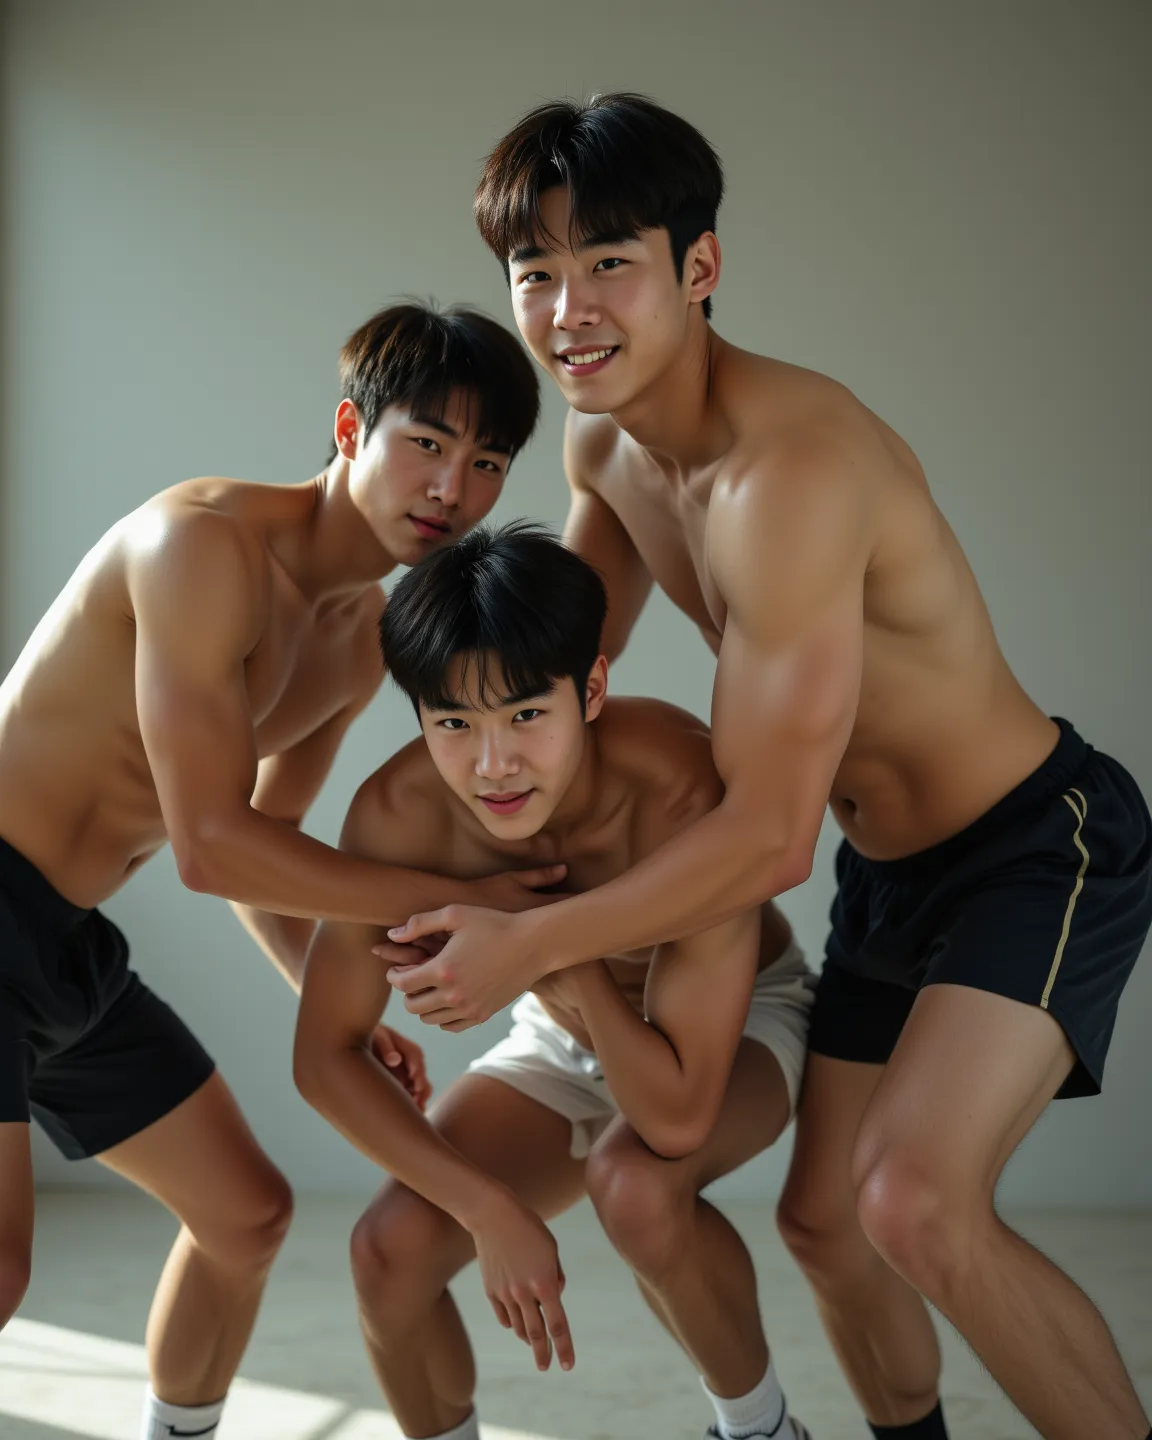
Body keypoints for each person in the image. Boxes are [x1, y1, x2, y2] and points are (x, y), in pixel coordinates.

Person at [381, 96, 1152, 1440]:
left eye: (609, 263)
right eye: (537, 275)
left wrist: (537, 943)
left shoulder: (791, 473)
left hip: (1036, 841)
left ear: (701, 268)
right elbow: (546, 688)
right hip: (891, 874)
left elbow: (768, 842)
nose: (570, 310)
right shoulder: (605, 443)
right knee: (825, 1228)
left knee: (912, 1200)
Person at [0, 301, 557, 1440]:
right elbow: (209, 848)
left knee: (246, 1216)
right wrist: (460, 904)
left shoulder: (361, 638)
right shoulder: (199, 547)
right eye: (428, 443)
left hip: (62, 941)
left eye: (487, 461)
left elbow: (276, 839)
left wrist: (327, 989)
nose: (453, 486)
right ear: (352, 426)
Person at [295, 522, 816, 1440]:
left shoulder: (680, 789)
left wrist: (546, 945)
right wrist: (488, 1209)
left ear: (593, 689)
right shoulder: (397, 812)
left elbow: (674, 1114)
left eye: (526, 715)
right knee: (387, 1253)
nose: (492, 765)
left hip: (733, 1025)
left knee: (637, 1184)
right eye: (454, 724)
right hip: (564, 1029)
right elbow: (324, 1058)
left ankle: (763, 1430)